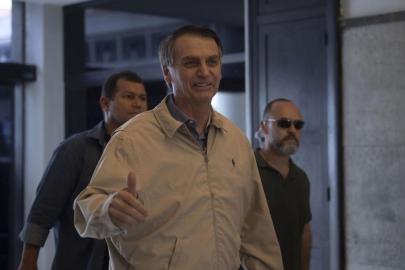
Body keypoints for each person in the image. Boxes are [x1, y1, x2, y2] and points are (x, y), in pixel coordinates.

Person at [73, 25, 283, 270]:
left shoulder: (235, 140)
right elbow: (85, 211)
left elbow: (257, 231)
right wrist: (108, 210)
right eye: (191, 63)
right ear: (167, 74)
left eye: (212, 62)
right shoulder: (132, 139)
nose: (205, 72)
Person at [18, 70, 148, 270]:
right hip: (81, 262)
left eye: (142, 98)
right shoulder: (76, 149)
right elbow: (43, 210)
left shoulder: (148, 152)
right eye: (128, 97)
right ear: (105, 103)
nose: (138, 104)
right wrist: (28, 261)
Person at [255, 98, 312, 270]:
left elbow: (304, 231)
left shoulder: (301, 178)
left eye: (298, 125)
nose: (292, 130)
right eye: (284, 123)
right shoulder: (246, 172)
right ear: (264, 127)